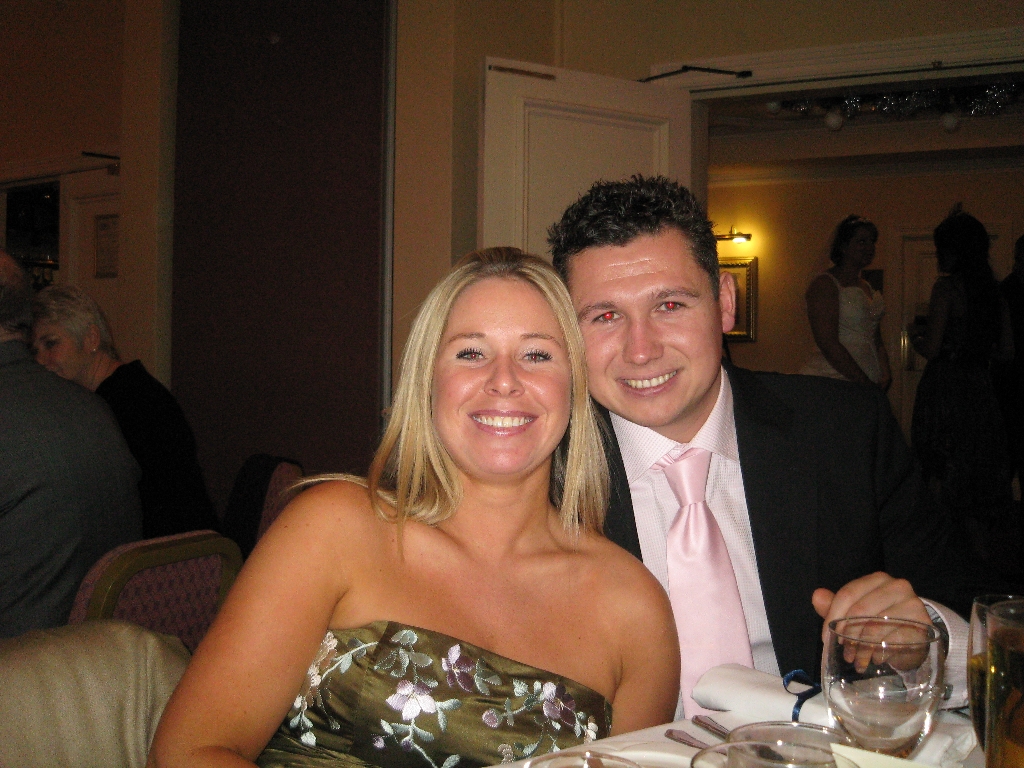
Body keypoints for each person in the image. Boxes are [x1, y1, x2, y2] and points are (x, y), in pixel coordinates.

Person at [149, 248, 679, 768]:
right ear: (428, 381)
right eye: (471, 353)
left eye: (537, 355)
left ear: (575, 386)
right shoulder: (334, 528)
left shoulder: (636, 611)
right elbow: (185, 753)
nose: (504, 379)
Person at [547, 175, 968, 717]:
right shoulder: (541, 474)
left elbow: (966, 606)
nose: (641, 350)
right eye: (605, 316)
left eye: (670, 305)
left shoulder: (847, 432)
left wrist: (926, 634)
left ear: (725, 302)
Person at [0, 250, 142, 637]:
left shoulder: (114, 404)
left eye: (54, 343)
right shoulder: (95, 408)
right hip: (105, 647)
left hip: (26, 657)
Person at [32, 285, 217, 539]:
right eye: (35, 351)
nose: (40, 360)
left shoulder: (128, 402)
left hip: (172, 553)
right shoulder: (119, 391)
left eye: (51, 344)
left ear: (91, 339)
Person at [910, 206, 1014, 567]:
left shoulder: (948, 288)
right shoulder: (995, 293)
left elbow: (932, 348)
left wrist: (915, 335)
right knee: (977, 469)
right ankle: (983, 557)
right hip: (980, 389)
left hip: (946, 388)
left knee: (940, 466)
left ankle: (943, 554)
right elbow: (1007, 351)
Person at [801, 215, 891, 389]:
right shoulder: (825, 284)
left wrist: (885, 372)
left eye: (872, 241)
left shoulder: (866, 286)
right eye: (862, 241)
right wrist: (863, 383)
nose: (870, 247)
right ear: (843, 246)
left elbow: (876, 337)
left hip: (869, 379)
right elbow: (828, 343)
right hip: (834, 378)